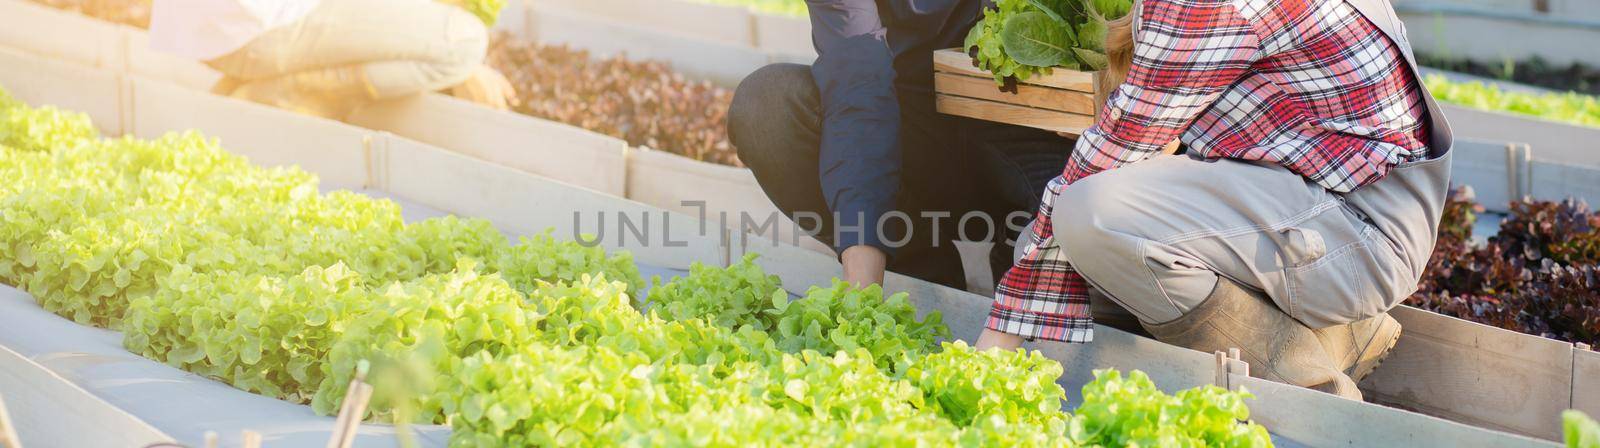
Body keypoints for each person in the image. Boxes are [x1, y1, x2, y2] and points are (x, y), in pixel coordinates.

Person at [975, 0, 1454, 401]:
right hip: (1312, 196)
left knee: (1090, 219)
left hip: (1359, 226)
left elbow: (1113, 154)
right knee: (1070, 251)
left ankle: (1310, 390)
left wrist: (1002, 335)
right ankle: (1341, 334)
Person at [728, 0, 1066, 291]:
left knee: (1074, 217)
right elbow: (859, 84)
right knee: (766, 107)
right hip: (911, 147)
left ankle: (1021, 264)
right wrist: (861, 290)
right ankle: (918, 273)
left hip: (1032, 138)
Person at [148, 0, 516, 119]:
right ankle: (290, 91)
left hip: (217, 31)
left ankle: (255, 85)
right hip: (260, 28)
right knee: (465, 40)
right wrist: (458, 56)